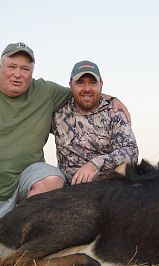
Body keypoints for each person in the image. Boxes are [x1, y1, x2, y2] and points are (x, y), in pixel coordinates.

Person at [0, 42, 130, 218]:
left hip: (98, 186)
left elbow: (130, 150)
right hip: (60, 189)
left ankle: (23, 228)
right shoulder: (61, 116)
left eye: (24, 69)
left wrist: (113, 98)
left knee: (53, 179)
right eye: (12, 67)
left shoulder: (46, 92)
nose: (17, 74)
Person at [52, 60, 138, 185]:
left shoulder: (114, 112)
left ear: (101, 85)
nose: (87, 89)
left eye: (93, 83)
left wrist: (94, 164)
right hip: (69, 188)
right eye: (80, 83)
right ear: (70, 85)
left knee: (126, 168)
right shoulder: (58, 113)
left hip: (106, 187)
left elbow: (131, 151)